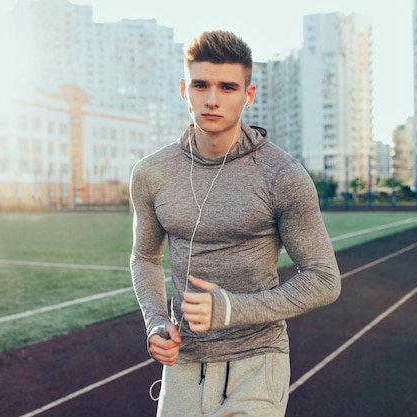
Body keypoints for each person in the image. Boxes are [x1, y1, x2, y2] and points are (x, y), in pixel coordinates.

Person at [129, 30, 341, 417]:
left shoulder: (282, 175)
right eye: (201, 85)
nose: (212, 99)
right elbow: (144, 257)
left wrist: (232, 310)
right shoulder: (151, 173)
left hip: (257, 361)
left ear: (249, 94)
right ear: (183, 89)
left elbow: (324, 279)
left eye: (227, 87)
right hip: (185, 364)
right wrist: (157, 323)